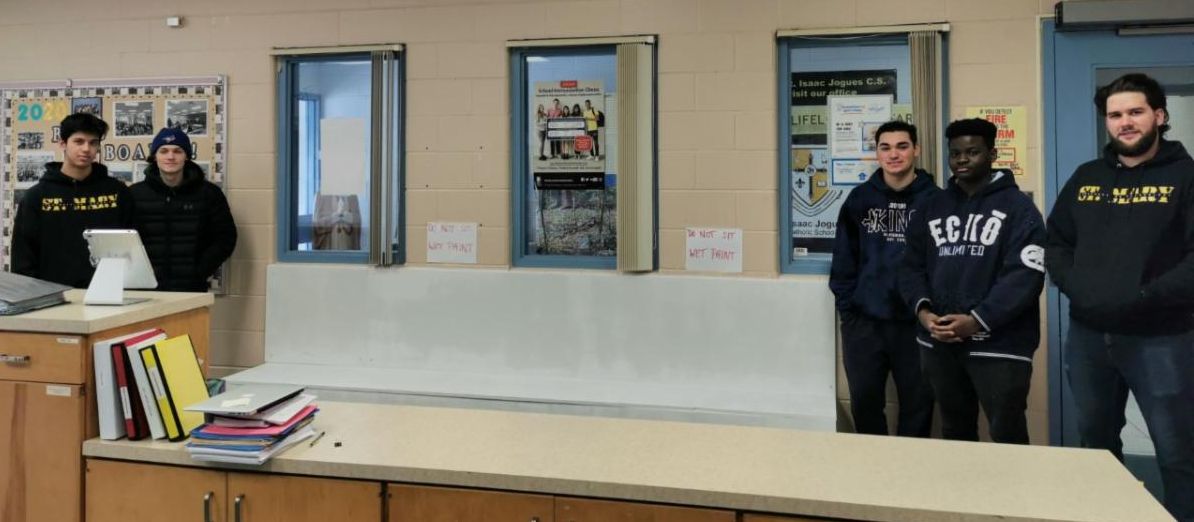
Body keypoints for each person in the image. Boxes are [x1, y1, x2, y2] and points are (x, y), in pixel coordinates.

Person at [1045, 73, 1194, 521]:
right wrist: (1080, 289)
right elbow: (1056, 243)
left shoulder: (1186, 177)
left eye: (1135, 112)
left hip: (1162, 338)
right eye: (1115, 115)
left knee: (1178, 452)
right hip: (1090, 338)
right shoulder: (1086, 178)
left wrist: (1144, 296)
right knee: (1096, 448)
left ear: (1159, 116)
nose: (1125, 122)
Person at [899, 118, 1045, 445]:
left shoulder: (1020, 209)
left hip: (1000, 346)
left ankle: (1012, 497)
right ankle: (963, 497)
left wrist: (977, 321)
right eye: (955, 153)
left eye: (973, 152)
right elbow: (910, 266)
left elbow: (1025, 275)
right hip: (940, 343)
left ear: (992, 154)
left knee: (1006, 432)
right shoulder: (930, 206)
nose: (962, 160)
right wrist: (923, 313)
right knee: (955, 431)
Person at [829, 120, 938, 437]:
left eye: (902, 146)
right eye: (885, 147)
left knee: (919, 407)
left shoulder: (937, 201)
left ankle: (909, 479)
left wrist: (932, 312)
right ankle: (870, 477)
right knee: (864, 404)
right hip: (865, 325)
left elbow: (945, 265)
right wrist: (850, 312)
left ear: (915, 150)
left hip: (917, 325)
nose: (894, 154)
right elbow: (844, 262)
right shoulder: (859, 200)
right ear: (876, 154)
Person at [11, 113, 134, 287]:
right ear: (62, 143)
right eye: (79, 141)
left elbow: (133, 249)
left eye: (93, 143)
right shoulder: (37, 197)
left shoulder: (117, 193)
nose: (86, 149)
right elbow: (23, 258)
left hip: (109, 295)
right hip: (53, 300)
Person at [130, 127, 237, 292]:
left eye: (177, 151)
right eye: (164, 151)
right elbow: (124, 240)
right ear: (154, 156)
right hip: (145, 288)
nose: (170, 156)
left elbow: (226, 238)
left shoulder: (209, 194)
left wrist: (199, 271)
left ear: (186, 156)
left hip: (191, 289)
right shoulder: (134, 194)